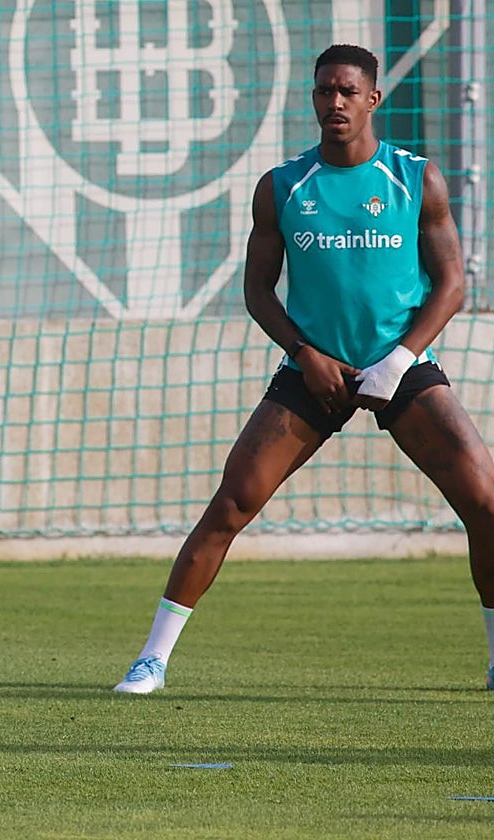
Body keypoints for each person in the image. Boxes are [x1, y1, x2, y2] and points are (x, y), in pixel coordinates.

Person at [113, 44, 494, 694]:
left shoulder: (414, 178)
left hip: (401, 367)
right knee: (231, 503)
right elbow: (258, 290)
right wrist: (306, 355)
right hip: (312, 373)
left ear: (373, 98)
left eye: (348, 91)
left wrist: (400, 360)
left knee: (486, 502)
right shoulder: (284, 186)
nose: (334, 103)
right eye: (324, 91)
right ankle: (152, 660)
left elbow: (453, 283)